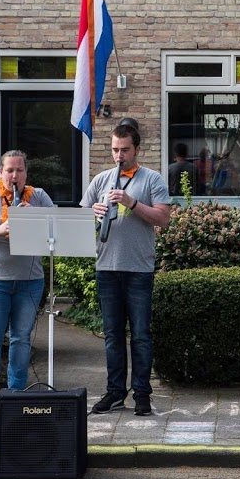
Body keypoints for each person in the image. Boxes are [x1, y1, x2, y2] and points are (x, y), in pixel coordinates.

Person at [81, 123, 171, 416]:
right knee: (112, 335)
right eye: (115, 150)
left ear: (137, 150)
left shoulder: (152, 179)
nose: (119, 156)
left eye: (125, 150)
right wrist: (92, 214)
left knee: (141, 335)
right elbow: (81, 219)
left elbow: (162, 218)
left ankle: (142, 393)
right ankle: (115, 392)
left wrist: (132, 202)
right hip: (106, 267)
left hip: (138, 269)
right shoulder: (101, 180)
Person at [0, 150, 55, 418]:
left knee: (21, 338)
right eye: (9, 171)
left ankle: (16, 394)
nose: (14, 176)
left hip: (29, 280)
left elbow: (55, 232)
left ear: (26, 173)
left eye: (19, 171)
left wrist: (35, 216)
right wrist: (0, 229)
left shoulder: (39, 196)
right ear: (0, 173)